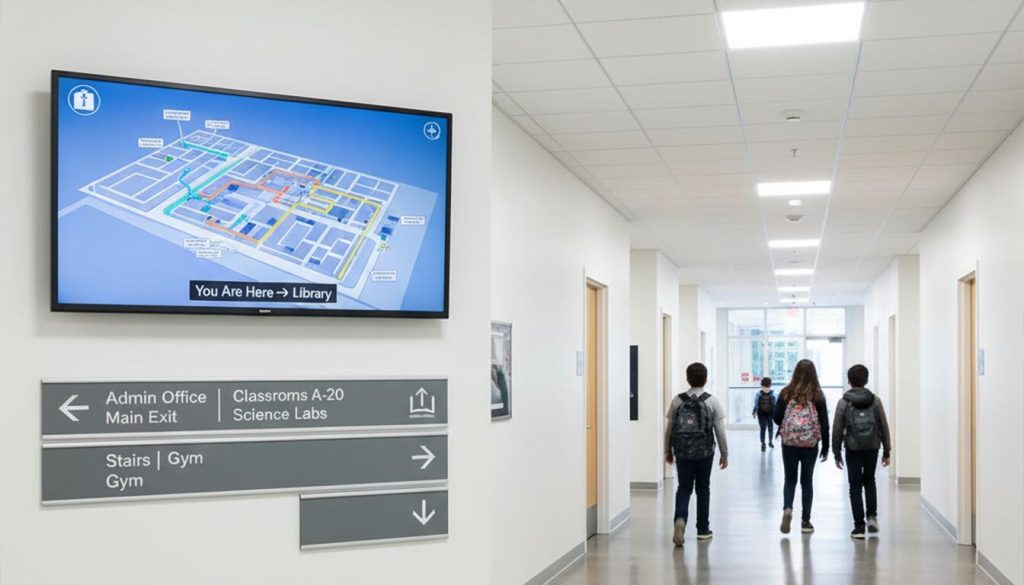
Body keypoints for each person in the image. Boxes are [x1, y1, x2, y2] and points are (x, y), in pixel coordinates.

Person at [664, 362, 728, 546]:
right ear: (706, 379)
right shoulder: (712, 401)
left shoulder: (678, 400)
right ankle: (702, 529)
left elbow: (670, 429)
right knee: (703, 488)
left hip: (683, 452)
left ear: (687, 378)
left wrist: (668, 451)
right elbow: (720, 431)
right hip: (704, 452)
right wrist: (724, 453)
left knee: (683, 487)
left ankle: (680, 520)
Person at [833, 364, 892, 539]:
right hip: (872, 446)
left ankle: (859, 527)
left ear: (849, 381)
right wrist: (886, 450)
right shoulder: (875, 400)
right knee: (869, 480)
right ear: (866, 380)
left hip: (852, 448)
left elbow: (836, 428)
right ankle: (872, 517)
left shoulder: (844, 402)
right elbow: (883, 425)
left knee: (855, 486)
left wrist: (836, 452)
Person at [773, 359, 830, 535]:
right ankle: (806, 522)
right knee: (807, 481)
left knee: (790, 479)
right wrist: (826, 447)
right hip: (810, 444)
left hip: (789, 443)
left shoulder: (786, 393)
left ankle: (788, 508)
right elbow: (824, 423)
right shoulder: (818, 395)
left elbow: (776, 418)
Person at [752, 377, 776, 451]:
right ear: (761, 386)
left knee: (770, 429)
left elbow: (776, 404)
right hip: (761, 414)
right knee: (763, 429)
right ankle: (763, 443)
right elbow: (756, 404)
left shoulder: (774, 394)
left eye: (767, 387)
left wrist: (777, 413)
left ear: (770, 386)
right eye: (764, 387)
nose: (766, 389)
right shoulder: (758, 394)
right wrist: (754, 412)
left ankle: (770, 442)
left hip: (770, 414)